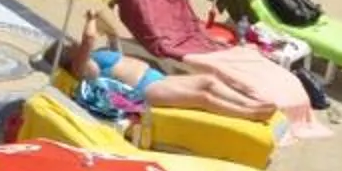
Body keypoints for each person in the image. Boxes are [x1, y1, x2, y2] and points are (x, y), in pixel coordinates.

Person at [64, 7, 265, 120]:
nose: (70, 44)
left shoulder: (99, 55)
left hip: (155, 78)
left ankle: (252, 104)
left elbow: (112, 33)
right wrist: (90, 20)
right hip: (145, 90)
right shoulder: (81, 68)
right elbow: (89, 39)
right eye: (67, 47)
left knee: (209, 81)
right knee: (203, 97)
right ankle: (249, 114)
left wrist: (99, 16)